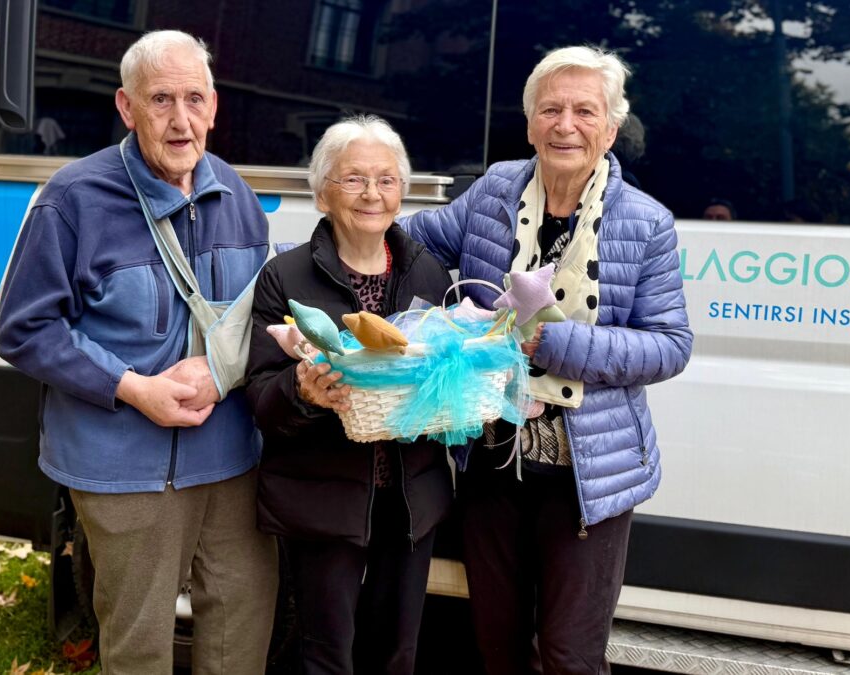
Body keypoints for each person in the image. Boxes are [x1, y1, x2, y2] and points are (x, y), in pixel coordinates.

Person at [403, 46, 693, 674]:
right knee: (498, 648)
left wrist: (554, 345)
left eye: (585, 111)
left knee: (569, 656)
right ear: (531, 123)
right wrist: (317, 256)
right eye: (551, 110)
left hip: (587, 477)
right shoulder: (495, 192)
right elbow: (409, 243)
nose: (566, 125)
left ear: (610, 129)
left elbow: (671, 345)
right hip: (492, 462)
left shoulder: (647, 224)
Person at [0, 30, 278, 674]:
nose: (180, 121)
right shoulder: (72, 199)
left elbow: (255, 317)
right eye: (160, 101)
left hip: (232, 461)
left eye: (193, 99)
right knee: (138, 647)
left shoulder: (236, 194)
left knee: (242, 631)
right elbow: (24, 328)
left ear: (214, 106)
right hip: (122, 468)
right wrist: (132, 386)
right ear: (126, 108)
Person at [244, 115, 454, 675]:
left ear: (401, 193)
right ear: (321, 194)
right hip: (322, 497)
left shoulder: (429, 273)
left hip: (411, 496)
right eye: (353, 179)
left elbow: (444, 376)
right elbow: (261, 400)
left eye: (386, 180)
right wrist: (303, 391)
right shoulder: (284, 277)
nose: (372, 194)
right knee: (326, 653)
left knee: (396, 653)